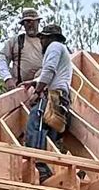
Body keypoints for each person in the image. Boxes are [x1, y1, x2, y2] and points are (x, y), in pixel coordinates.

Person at [24, 19, 73, 180]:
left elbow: (49, 70)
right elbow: (54, 73)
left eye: (43, 38)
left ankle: (39, 164)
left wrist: (37, 92)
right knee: (48, 131)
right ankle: (46, 169)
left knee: (35, 123)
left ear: (50, 37)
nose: (41, 41)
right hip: (61, 97)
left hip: (53, 95)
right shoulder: (61, 49)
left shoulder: (54, 46)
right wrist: (34, 82)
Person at [5, 9, 45, 93]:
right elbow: (2, 60)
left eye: (32, 21)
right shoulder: (16, 41)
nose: (30, 24)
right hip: (21, 90)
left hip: (43, 88)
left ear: (38, 22)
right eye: (27, 22)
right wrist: (7, 78)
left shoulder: (46, 40)